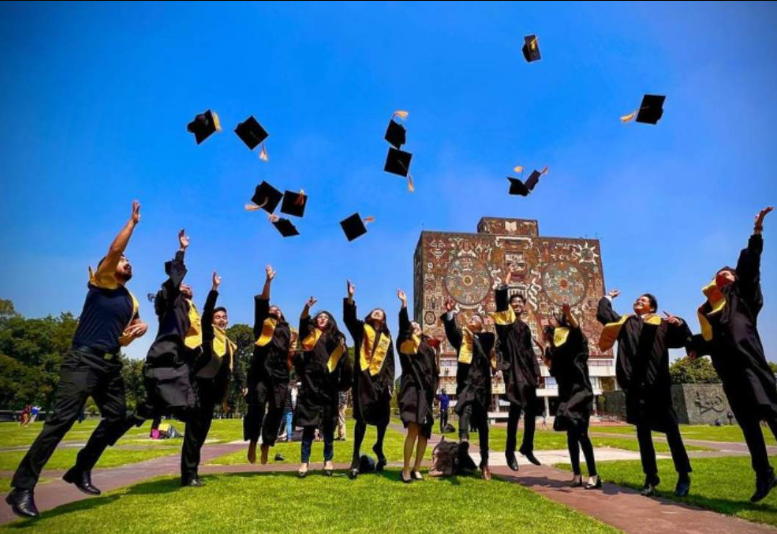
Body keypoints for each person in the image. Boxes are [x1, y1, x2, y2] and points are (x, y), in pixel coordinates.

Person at [6, 201, 147, 519]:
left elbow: (132, 325)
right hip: (83, 359)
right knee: (62, 421)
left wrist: (143, 326)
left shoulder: (130, 297)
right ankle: (22, 489)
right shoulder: (102, 281)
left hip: (111, 366)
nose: (126, 261)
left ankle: (81, 468)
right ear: (107, 269)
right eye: (122, 260)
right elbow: (112, 250)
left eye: (128, 260)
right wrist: (132, 223)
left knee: (116, 417)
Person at [690, 207, 777, 502]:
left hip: (752, 366)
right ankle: (764, 474)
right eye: (718, 275)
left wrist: (756, 232)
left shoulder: (744, 298)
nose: (722, 276)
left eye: (726, 272)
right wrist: (694, 347)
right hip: (729, 373)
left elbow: (751, 268)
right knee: (749, 426)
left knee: (773, 414)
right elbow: (709, 340)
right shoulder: (709, 311)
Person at [597, 290, 693, 497]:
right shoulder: (626, 323)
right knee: (643, 434)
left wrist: (680, 323)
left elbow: (684, 339)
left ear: (652, 307)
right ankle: (651, 477)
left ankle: (683, 475)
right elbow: (604, 314)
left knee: (672, 431)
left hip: (657, 385)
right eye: (637, 299)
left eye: (644, 300)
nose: (638, 301)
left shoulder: (662, 324)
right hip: (635, 386)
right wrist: (608, 298)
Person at [181, 271, 245, 487]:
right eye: (218, 317)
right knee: (193, 432)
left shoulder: (228, 343)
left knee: (201, 433)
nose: (222, 320)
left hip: (213, 393)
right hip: (199, 388)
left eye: (224, 317)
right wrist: (214, 289)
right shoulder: (207, 335)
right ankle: (189, 475)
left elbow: (234, 368)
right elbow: (207, 310)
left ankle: (192, 472)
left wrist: (242, 386)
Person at [141, 229, 202, 422]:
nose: (188, 286)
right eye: (185, 285)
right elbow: (175, 278)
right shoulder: (171, 299)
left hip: (183, 362)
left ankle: (149, 411)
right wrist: (181, 250)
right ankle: (142, 414)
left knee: (191, 409)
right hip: (166, 359)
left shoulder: (189, 309)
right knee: (181, 408)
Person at [343, 280, 396, 479]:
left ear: (383, 319)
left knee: (383, 418)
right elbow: (349, 319)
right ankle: (355, 458)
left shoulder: (387, 338)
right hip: (363, 381)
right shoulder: (361, 330)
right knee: (361, 419)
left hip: (380, 383)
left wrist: (390, 383)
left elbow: (391, 363)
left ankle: (378, 447)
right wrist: (350, 297)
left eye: (380, 312)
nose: (376, 312)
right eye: (374, 311)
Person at [543, 304, 599, 489]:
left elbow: (576, 329)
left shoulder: (573, 339)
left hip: (580, 391)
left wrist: (568, 313)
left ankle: (593, 475)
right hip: (565, 393)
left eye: (553, 317)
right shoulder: (554, 347)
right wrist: (547, 361)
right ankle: (576, 475)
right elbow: (555, 372)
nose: (550, 319)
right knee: (572, 436)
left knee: (582, 433)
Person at [295, 296, 352, 477]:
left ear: (330, 322)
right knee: (308, 426)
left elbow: (345, 362)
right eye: (320, 317)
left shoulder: (336, 338)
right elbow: (303, 320)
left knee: (328, 427)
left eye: (326, 317)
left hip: (329, 386)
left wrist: (344, 384)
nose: (322, 319)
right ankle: (304, 462)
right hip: (310, 385)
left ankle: (328, 461)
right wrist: (307, 307)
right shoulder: (309, 335)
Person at [491, 267, 542, 471]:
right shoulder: (505, 323)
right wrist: (507, 280)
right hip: (513, 372)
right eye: (515, 302)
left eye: (521, 302)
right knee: (514, 412)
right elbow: (501, 301)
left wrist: (538, 373)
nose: (518, 304)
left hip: (528, 373)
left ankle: (527, 447)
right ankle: (509, 451)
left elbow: (530, 352)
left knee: (532, 412)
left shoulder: (525, 327)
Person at [442, 296, 496, 480]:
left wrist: (474, 336)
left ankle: (485, 462)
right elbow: (451, 333)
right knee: (465, 409)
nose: (471, 321)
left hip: (481, 385)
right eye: (470, 320)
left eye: (476, 320)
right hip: (466, 383)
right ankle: (463, 439)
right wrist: (450, 314)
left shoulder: (487, 337)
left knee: (482, 426)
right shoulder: (462, 338)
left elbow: (485, 352)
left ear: (482, 324)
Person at [245, 265, 291, 465]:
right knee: (256, 407)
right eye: (271, 309)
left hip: (280, 376)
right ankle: (253, 442)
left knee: (277, 408)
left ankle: (267, 443)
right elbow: (264, 301)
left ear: (282, 315)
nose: (274, 310)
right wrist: (268, 282)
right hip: (260, 373)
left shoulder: (288, 330)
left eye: (277, 310)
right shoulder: (262, 324)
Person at [396, 289, 439, 483]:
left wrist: (434, 391)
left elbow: (434, 371)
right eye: (412, 326)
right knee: (413, 429)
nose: (416, 327)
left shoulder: (428, 348)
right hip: (412, 390)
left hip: (427, 392)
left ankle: (416, 468)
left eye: (418, 325)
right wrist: (404, 305)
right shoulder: (406, 344)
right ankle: (405, 469)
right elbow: (404, 328)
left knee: (424, 433)